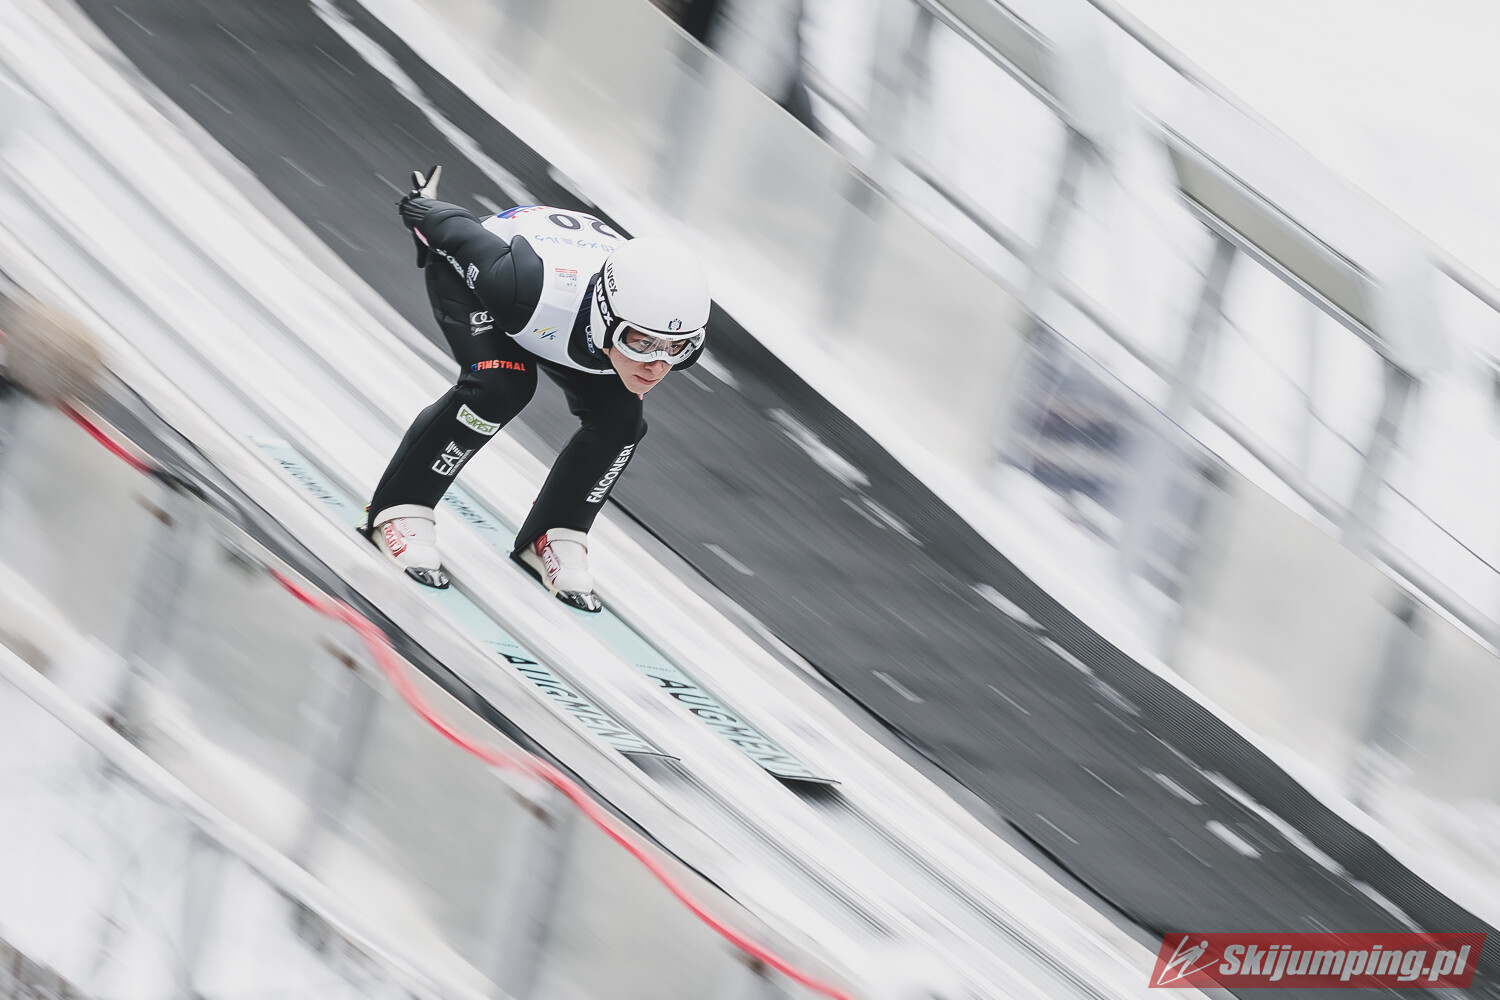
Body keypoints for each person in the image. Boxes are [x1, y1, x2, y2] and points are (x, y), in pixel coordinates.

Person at [362, 166, 711, 612]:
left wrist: (642, 346)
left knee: (622, 424)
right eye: (640, 343)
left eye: (678, 349)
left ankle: (555, 532)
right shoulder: (524, 285)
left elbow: (648, 347)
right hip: (492, 289)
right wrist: (420, 204)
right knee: (500, 387)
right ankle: (400, 507)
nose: (657, 366)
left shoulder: (639, 325)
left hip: (572, 317)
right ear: (607, 317)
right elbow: (454, 231)